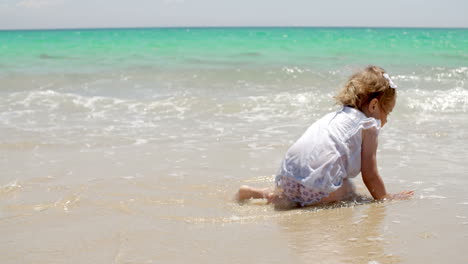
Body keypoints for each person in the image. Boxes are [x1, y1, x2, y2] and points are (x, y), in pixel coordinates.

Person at [237, 65, 414, 209]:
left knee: (295, 192)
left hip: (289, 177)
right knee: (349, 190)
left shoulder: (334, 117)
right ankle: (297, 201)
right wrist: (385, 198)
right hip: (317, 188)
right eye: (387, 113)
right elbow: (370, 175)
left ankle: (267, 195)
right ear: (374, 105)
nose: (386, 121)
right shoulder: (368, 125)